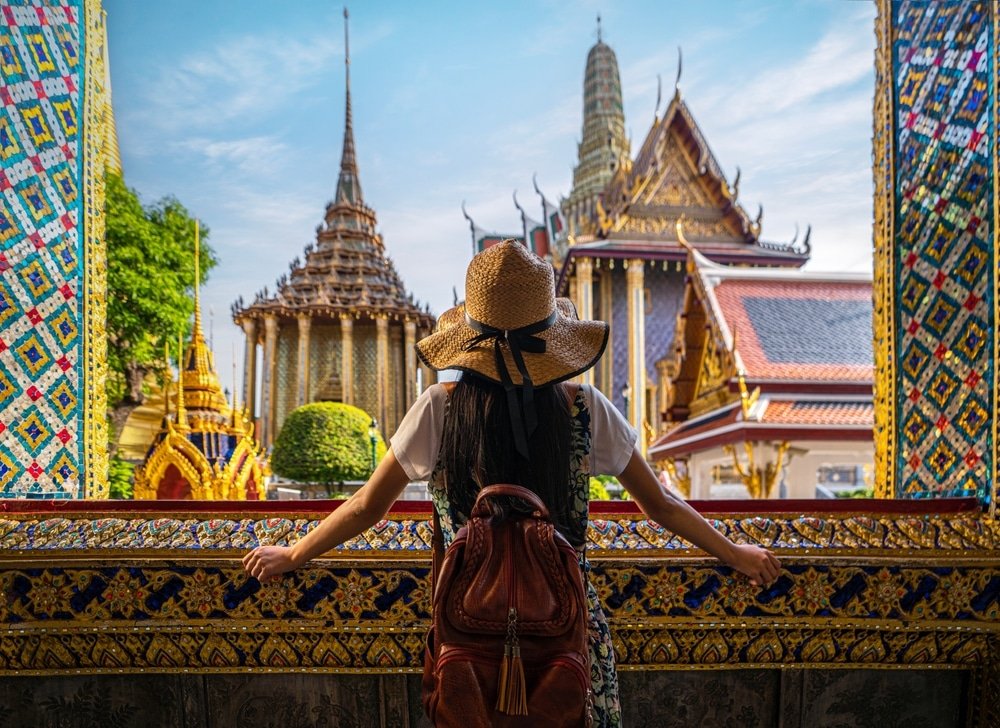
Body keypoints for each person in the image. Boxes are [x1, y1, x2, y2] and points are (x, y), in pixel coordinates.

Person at [243, 240, 781, 727]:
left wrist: (294, 554)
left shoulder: (440, 408)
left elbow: (366, 507)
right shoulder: (584, 409)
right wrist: (734, 553)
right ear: (551, 335)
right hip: (565, 625)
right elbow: (660, 504)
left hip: (466, 619)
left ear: (468, 338)